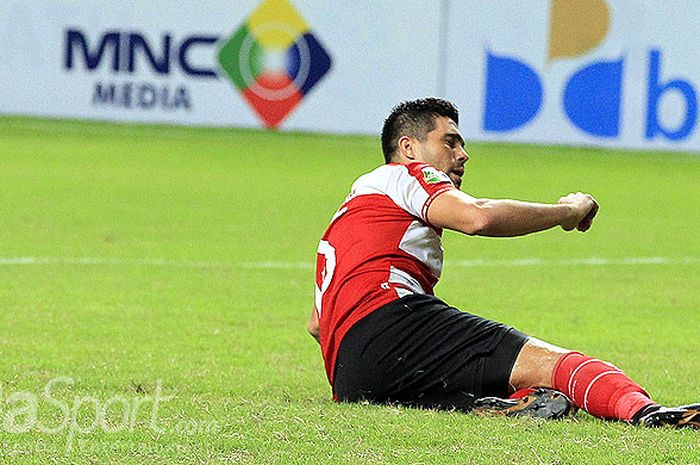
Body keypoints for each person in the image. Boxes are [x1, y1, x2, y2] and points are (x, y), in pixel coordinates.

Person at [308, 97, 699, 428]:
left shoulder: (349, 217)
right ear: (408, 147)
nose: (463, 155)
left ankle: (493, 404)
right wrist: (566, 211)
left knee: (510, 382)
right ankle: (648, 413)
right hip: (391, 321)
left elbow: (317, 325)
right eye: (450, 142)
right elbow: (478, 217)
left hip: (350, 377)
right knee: (558, 364)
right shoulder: (404, 174)